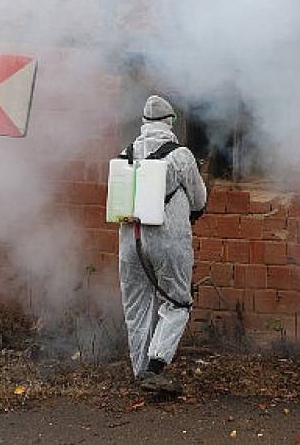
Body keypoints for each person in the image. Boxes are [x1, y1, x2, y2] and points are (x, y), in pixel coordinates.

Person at [118, 95, 207, 394]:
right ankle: (156, 367)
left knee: (137, 306)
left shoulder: (126, 154)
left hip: (130, 242)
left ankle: (140, 371)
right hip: (168, 241)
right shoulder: (180, 155)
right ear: (170, 122)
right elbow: (199, 199)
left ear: (144, 123)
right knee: (178, 302)